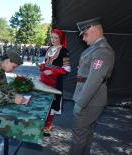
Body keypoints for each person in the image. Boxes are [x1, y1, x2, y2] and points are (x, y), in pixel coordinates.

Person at [68, 17, 115, 155]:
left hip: (89, 100)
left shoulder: (102, 51)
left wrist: (81, 103)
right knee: (86, 134)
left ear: (94, 30)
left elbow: (94, 80)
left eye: (85, 34)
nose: (83, 39)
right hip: (90, 98)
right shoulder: (95, 49)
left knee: (79, 137)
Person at [41, 28, 71, 136]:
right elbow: (47, 63)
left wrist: (52, 72)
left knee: (52, 105)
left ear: (61, 38)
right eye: (52, 37)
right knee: (43, 103)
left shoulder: (64, 51)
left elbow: (67, 69)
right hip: (44, 80)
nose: (53, 39)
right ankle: (41, 124)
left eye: (55, 38)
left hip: (55, 82)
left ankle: (47, 127)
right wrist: (42, 67)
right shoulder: (49, 48)